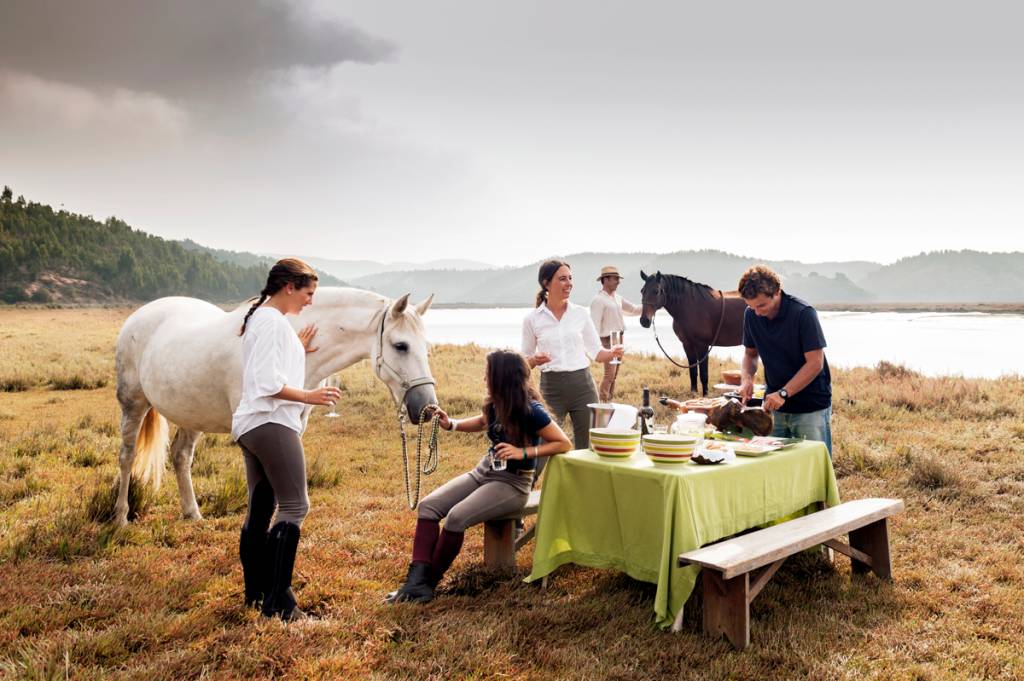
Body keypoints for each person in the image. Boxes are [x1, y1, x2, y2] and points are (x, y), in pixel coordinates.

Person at [385, 350, 572, 603]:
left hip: (513, 483)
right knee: (428, 507)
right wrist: (451, 423)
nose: (485, 378)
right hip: (483, 471)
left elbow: (563, 443)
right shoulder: (496, 402)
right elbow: (482, 421)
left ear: (502, 378)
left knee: (456, 518)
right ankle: (414, 583)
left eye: (488, 374)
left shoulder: (532, 410)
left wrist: (523, 451)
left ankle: (428, 584)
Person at [232, 258, 342, 621]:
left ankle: (257, 593)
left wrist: (294, 346)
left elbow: (267, 365)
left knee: (261, 508)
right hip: (271, 423)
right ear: (289, 287)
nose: (310, 301)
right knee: (296, 505)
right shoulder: (272, 323)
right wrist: (311, 396)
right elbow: (267, 382)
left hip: (252, 424)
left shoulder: (264, 320)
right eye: (308, 293)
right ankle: (280, 603)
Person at [522, 260, 623, 451]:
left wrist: (612, 353)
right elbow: (524, 363)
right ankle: (530, 481)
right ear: (546, 283)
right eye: (562, 279)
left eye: (570, 278)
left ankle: (585, 482)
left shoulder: (580, 314)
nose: (569, 283)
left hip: (583, 387)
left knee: (590, 448)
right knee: (542, 447)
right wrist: (535, 359)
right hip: (550, 390)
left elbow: (597, 353)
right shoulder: (532, 319)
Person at [737, 264, 833, 456]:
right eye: (751, 306)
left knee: (812, 467)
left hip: (810, 406)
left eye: (761, 305)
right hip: (773, 408)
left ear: (777, 292)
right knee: (774, 467)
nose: (756, 312)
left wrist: (783, 393)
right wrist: (747, 378)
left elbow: (815, 363)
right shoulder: (751, 315)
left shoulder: (803, 313)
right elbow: (750, 354)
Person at [589, 265, 642, 401]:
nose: (618, 281)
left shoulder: (617, 297)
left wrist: (650, 306)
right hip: (607, 340)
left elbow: (634, 309)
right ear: (605, 280)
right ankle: (603, 403)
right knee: (609, 375)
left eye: (618, 279)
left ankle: (609, 400)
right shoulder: (598, 300)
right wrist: (597, 348)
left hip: (619, 338)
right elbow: (593, 326)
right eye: (615, 279)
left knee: (615, 374)